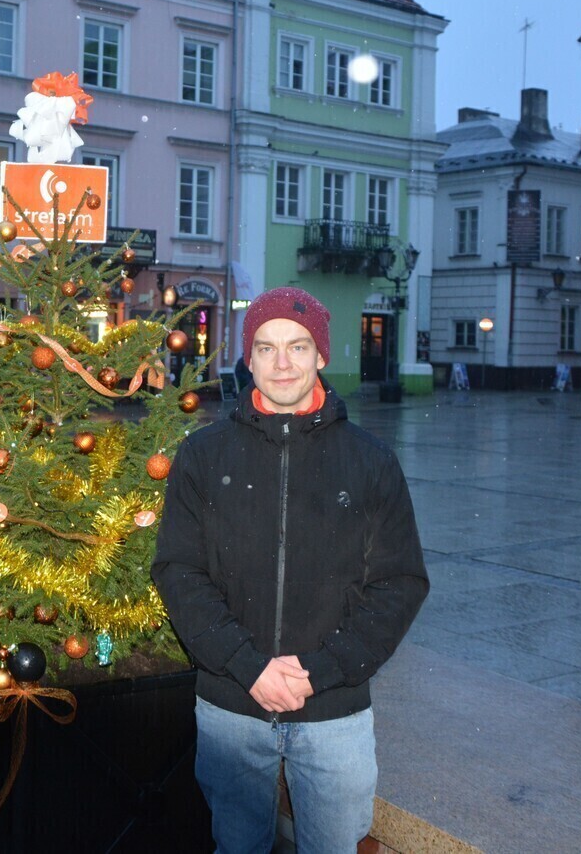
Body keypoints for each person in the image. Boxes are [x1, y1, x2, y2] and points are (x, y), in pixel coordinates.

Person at [152, 286, 428, 853]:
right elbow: (179, 571)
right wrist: (248, 666)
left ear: (321, 356)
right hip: (232, 703)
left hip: (334, 711)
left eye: (298, 347)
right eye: (266, 347)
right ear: (247, 358)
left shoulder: (371, 462)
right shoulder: (203, 456)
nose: (282, 363)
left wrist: (320, 672)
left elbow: (398, 585)